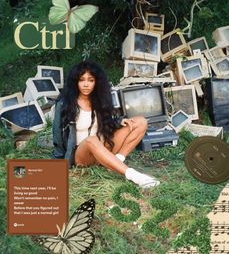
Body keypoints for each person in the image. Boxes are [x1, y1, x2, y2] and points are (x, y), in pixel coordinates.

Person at [52, 60, 160, 189]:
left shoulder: (99, 99)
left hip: (103, 146)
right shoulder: (65, 103)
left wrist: (119, 122)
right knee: (91, 140)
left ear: (96, 82)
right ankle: (134, 176)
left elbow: (106, 123)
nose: (86, 84)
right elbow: (57, 134)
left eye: (90, 80)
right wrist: (60, 162)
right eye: (82, 80)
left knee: (140, 121)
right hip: (81, 155)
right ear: (75, 81)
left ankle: (117, 161)